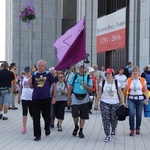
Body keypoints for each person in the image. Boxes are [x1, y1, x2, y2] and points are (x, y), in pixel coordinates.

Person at [29, 60, 56, 141]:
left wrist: (54, 97)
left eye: (41, 65)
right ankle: (37, 135)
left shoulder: (48, 74)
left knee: (46, 116)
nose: (40, 67)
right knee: (36, 117)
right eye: (39, 65)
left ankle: (47, 128)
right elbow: (32, 86)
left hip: (46, 98)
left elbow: (54, 85)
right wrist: (30, 83)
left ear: (45, 66)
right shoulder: (34, 74)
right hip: (36, 98)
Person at [96, 68, 124, 142]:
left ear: (112, 74)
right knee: (106, 119)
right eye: (107, 74)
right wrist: (96, 103)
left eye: (109, 73)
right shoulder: (102, 83)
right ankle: (107, 134)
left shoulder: (116, 83)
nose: (108, 75)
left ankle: (113, 129)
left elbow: (120, 92)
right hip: (104, 102)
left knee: (114, 119)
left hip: (115, 103)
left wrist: (123, 102)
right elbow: (99, 93)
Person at [67, 63, 92, 138]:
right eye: (80, 68)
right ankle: (76, 126)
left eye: (83, 68)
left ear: (85, 69)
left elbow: (91, 89)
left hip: (84, 98)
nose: (82, 69)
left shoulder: (88, 77)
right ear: (78, 69)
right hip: (75, 96)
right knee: (75, 114)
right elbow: (70, 87)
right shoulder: (74, 76)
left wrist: (86, 86)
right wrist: (68, 98)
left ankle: (81, 130)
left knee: (83, 116)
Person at [123, 66, 149, 136]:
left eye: (136, 71)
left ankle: (138, 128)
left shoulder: (142, 80)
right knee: (131, 114)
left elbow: (146, 90)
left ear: (138, 72)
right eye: (133, 71)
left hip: (140, 100)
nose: (135, 72)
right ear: (132, 73)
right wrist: (123, 100)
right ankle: (132, 129)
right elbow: (125, 91)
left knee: (139, 115)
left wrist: (147, 98)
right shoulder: (129, 80)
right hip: (131, 99)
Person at [17, 66, 33, 134]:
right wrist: (19, 97)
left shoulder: (33, 78)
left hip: (32, 98)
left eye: (28, 72)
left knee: (32, 112)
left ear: (30, 71)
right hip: (24, 97)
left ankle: (35, 123)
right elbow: (21, 88)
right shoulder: (23, 78)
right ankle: (24, 127)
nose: (27, 73)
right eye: (26, 72)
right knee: (24, 112)